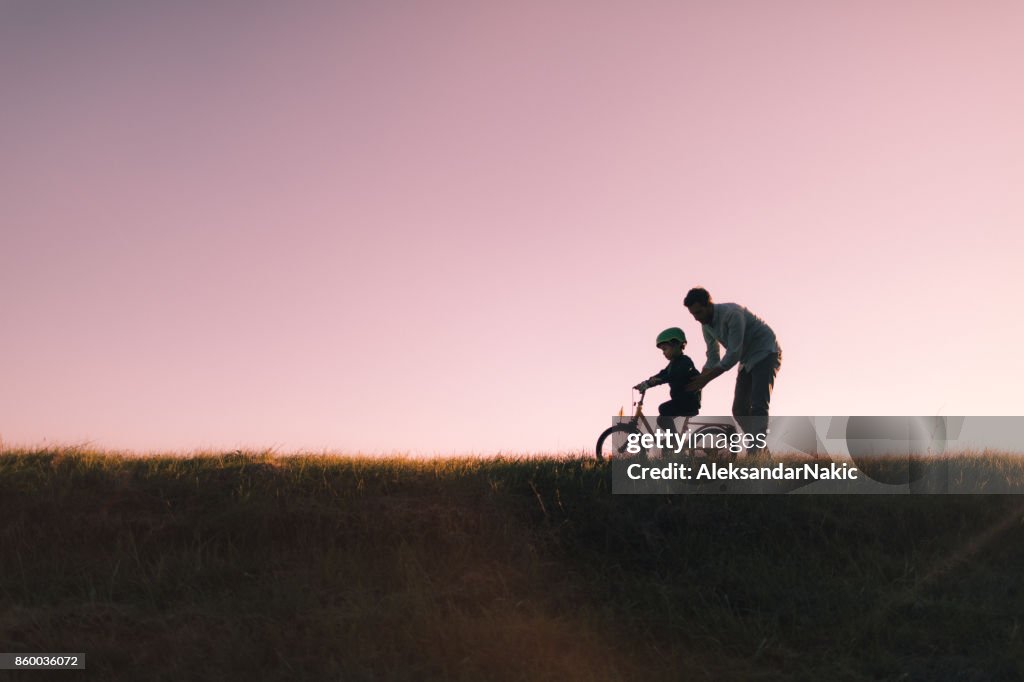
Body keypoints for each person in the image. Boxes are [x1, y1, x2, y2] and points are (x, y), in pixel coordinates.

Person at [682, 287, 781, 458]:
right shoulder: (706, 326)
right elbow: (713, 357)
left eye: (698, 312)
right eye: (693, 315)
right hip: (747, 360)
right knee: (739, 409)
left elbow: (733, 353)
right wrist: (700, 379)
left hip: (766, 353)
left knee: (758, 405)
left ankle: (755, 452)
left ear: (709, 305)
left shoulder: (733, 314)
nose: (696, 318)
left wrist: (706, 379)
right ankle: (762, 450)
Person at [633, 327, 702, 432]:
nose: (663, 353)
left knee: (664, 409)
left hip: (689, 401)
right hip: (681, 401)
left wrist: (655, 381)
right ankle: (673, 441)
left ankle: (674, 441)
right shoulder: (672, 364)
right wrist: (646, 383)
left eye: (665, 349)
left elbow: (673, 375)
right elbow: (662, 374)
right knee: (662, 418)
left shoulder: (684, 362)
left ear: (676, 345)